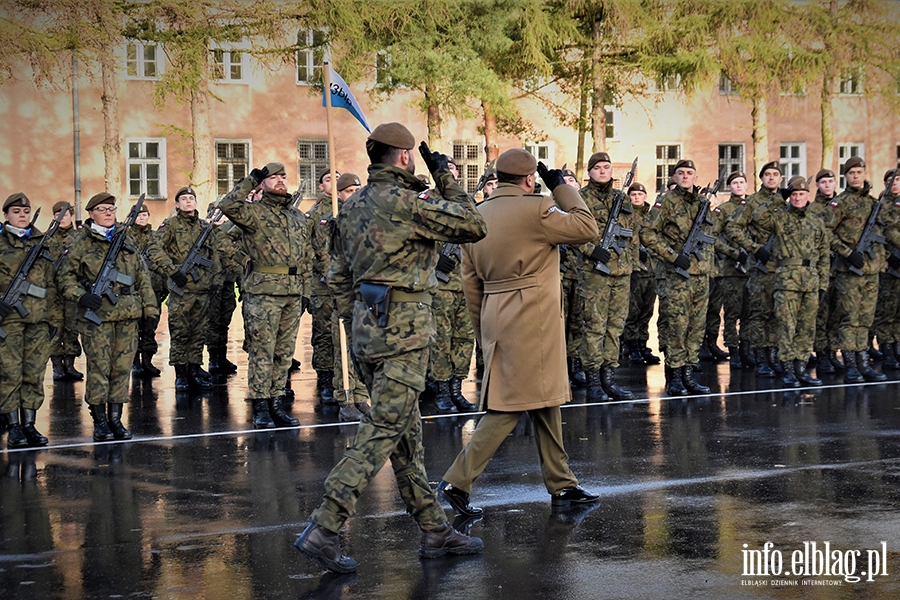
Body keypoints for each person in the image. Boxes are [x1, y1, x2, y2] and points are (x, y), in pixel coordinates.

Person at [294, 123, 487, 573]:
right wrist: (446, 177)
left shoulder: (353, 203)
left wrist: (358, 318)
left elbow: (338, 273)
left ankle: (435, 529)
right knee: (383, 429)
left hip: (368, 330)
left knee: (405, 434)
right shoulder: (406, 202)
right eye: (413, 157)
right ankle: (325, 526)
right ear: (403, 157)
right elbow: (473, 224)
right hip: (404, 334)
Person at [436, 149, 600, 520]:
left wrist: (482, 330)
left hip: (496, 312)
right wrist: (560, 186)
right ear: (529, 179)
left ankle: (562, 482)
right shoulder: (538, 209)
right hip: (534, 317)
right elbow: (587, 227)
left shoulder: (476, 214)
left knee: (544, 398)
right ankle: (457, 481)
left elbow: (470, 282)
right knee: (509, 406)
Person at [57, 192, 158, 441]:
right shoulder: (82, 242)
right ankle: (100, 421)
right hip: (97, 318)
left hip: (127, 315)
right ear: (91, 213)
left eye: (111, 208)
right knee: (100, 369)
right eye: (102, 209)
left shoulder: (126, 239)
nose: (109, 213)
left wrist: (151, 310)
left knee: (122, 370)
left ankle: (115, 418)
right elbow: (64, 278)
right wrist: (81, 296)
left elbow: (142, 277)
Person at [219, 162, 309, 428]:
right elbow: (228, 205)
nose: (280, 180)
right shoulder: (254, 213)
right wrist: (251, 179)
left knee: (284, 353)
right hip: (263, 292)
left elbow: (306, 256)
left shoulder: (297, 217)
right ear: (263, 183)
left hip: (292, 293)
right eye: (273, 177)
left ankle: (277, 403)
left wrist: (306, 289)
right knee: (262, 351)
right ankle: (260, 405)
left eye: (283, 176)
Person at [641, 159, 714, 396]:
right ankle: (674, 376)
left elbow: (710, 234)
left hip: (700, 275)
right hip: (675, 276)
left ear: (695, 177)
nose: (685, 176)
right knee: (676, 326)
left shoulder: (704, 203)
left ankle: (689, 375)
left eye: (689, 173)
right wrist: (672, 256)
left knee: (695, 326)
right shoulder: (666, 202)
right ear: (674, 177)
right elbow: (647, 233)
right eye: (680, 173)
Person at [755, 178, 829, 386]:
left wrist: (823, 284)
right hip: (787, 281)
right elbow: (757, 216)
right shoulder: (780, 218)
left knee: (807, 327)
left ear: (808, 197)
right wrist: (779, 197)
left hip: (810, 281)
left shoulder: (816, 221)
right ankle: (788, 369)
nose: (797, 198)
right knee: (787, 326)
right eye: (794, 194)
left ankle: (801, 368)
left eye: (801, 194)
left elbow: (824, 255)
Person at [577, 152, 637, 401]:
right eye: (598, 168)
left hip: (620, 273)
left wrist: (631, 264)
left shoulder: (621, 198)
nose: (603, 171)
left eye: (607, 167)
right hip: (594, 274)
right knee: (594, 326)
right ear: (589, 172)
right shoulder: (580, 198)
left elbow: (632, 234)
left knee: (615, 327)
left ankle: (608, 379)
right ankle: (592, 380)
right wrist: (592, 250)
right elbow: (571, 231)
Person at [0, 193, 58, 447]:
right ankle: (13, 427)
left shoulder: (41, 243)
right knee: (9, 373)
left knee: (34, 374)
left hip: (38, 319)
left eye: (26, 211)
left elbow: (53, 284)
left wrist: (54, 318)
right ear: (6, 216)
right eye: (16, 211)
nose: (22, 215)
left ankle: (29, 425)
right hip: (8, 320)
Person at [146, 187, 218, 392]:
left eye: (191, 198)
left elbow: (215, 257)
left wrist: (215, 282)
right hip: (182, 289)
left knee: (199, 333)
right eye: (183, 199)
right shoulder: (170, 225)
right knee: (180, 332)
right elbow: (154, 248)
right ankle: (181, 375)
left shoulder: (205, 227)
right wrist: (171, 270)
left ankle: (195, 371)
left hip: (202, 289)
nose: (188, 202)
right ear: (177, 204)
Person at [313, 172, 371, 421]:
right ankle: (345, 397)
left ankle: (360, 396)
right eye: (348, 191)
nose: (354, 194)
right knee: (342, 349)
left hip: (363, 291)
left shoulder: (367, 219)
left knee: (361, 347)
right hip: (341, 292)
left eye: (357, 189)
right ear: (338, 194)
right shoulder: (329, 222)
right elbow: (324, 256)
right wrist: (337, 285)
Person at [826, 156, 887, 383]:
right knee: (849, 318)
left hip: (871, 270)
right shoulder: (839, 204)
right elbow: (827, 233)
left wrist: (879, 262)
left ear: (864, 174)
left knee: (865, 318)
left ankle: (863, 362)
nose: (856, 176)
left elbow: (882, 234)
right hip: (849, 269)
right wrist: (847, 252)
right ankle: (851, 363)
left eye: (859, 172)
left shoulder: (872, 203)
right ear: (845, 176)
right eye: (851, 173)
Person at [724, 161, 784, 376]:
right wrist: (754, 248)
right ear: (761, 178)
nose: (771, 178)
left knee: (778, 315)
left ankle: (774, 356)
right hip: (760, 269)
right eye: (767, 174)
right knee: (759, 314)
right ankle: (760, 358)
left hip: (783, 269)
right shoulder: (750, 203)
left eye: (775, 174)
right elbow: (732, 228)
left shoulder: (786, 201)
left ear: (781, 179)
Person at [306, 168, 340, 404]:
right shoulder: (314, 214)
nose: (334, 183)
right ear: (320, 186)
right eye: (329, 180)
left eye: (338, 179)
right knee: (324, 333)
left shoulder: (351, 208)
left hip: (347, 283)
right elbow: (309, 251)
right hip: (323, 285)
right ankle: (326, 378)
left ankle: (345, 379)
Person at [712, 172, 751, 368]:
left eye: (741, 182)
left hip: (751, 269)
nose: (739, 186)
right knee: (731, 313)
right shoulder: (723, 210)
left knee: (749, 313)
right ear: (730, 186)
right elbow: (713, 237)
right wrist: (734, 253)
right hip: (731, 269)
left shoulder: (754, 207)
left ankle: (746, 348)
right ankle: (733, 349)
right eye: (735, 183)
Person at [45, 201, 84, 381]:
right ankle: (57, 366)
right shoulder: (46, 238)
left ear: (71, 216)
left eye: (65, 215)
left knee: (71, 326)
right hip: (52, 292)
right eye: (57, 215)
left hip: (72, 289)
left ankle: (70, 364)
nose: (61, 219)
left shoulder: (79, 237)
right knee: (54, 328)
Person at [622, 183, 660, 365]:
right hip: (635, 269)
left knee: (647, 311)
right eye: (633, 194)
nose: (637, 197)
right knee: (633, 311)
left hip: (652, 270)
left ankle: (643, 343)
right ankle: (632, 345)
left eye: (640, 194)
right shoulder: (626, 214)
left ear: (645, 196)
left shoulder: (652, 215)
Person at [811, 168, 841, 373]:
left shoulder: (843, 205)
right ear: (818, 185)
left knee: (837, 314)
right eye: (823, 182)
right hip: (822, 267)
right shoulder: (812, 209)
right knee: (821, 314)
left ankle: (833, 352)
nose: (827, 185)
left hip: (842, 267)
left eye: (830, 181)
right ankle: (821, 354)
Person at [129, 204, 164, 378]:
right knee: (134, 327)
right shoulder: (126, 236)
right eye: (138, 215)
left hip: (154, 287)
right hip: (134, 289)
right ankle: (135, 362)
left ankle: (147, 361)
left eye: (144, 215)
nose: (141, 218)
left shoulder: (155, 236)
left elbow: (162, 257)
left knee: (150, 326)